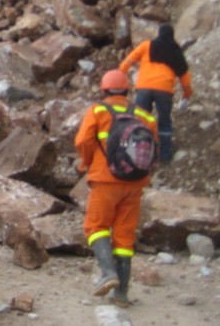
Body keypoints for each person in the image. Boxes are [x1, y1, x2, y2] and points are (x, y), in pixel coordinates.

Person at [74, 69, 158, 308]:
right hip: (134, 185)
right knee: (124, 236)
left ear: (104, 89)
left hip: (105, 180)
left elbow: (82, 141)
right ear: (127, 90)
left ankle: (108, 272)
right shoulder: (145, 116)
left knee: (96, 226)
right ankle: (121, 293)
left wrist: (87, 162)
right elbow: (155, 151)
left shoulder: (99, 111)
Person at [119, 24, 193, 164]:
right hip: (164, 91)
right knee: (164, 122)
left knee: (140, 121)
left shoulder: (147, 45)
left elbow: (129, 60)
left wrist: (119, 74)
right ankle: (165, 156)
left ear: (159, 34)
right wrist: (187, 95)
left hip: (144, 88)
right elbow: (185, 80)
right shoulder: (176, 53)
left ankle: (137, 155)